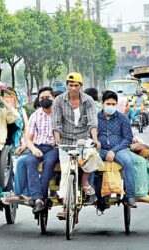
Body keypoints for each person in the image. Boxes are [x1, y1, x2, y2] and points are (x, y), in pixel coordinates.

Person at [52, 72, 101, 219]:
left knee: (93, 155)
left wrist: (95, 139)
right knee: (66, 172)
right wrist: (57, 139)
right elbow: (56, 123)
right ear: (67, 85)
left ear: (81, 86)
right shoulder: (59, 100)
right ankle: (66, 207)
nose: (73, 88)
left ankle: (85, 181)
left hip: (83, 139)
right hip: (65, 140)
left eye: (76, 85)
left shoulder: (89, 101)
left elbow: (92, 122)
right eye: (70, 85)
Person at [98, 90, 136, 207]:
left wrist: (113, 151)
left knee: (129, 162)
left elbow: (128, 138)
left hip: (118, 150)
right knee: (87, 161)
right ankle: (91, 192)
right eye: (108, 104)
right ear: (102, 104)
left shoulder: (122, 118)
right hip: (99, 150)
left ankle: (130, 196)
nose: (110, 106)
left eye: (113, 104)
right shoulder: (95, 118)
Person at [25, 87, 59, 214]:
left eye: (47, 98)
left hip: (54, 147)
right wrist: (33, 149)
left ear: (53, 98)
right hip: (38, 146)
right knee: (30, 162)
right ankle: (38, 199)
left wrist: (57, 140)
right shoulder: (35, 115)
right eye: (41, 98)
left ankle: (39, 198)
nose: (44, 100)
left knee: (49, 163)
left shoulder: (60, 113)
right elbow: (28, 138)